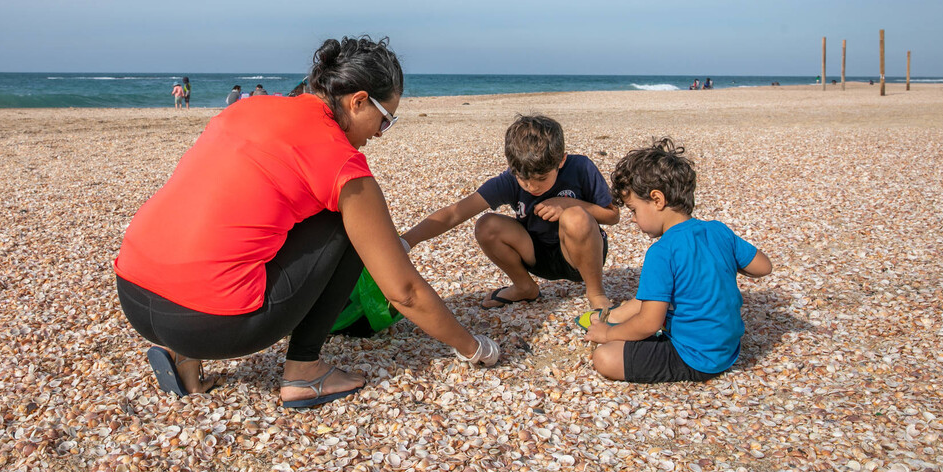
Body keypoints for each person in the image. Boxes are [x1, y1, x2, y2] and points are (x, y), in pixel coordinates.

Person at [114, 36, 498, 408]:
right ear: (359, 101)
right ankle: (304, 371)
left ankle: (183, 358)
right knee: (348, 220)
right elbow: (404, 291)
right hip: (209, 322)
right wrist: (473, 346)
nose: (380, 135)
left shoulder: (245, 108)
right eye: (385, 121)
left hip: (133, 292)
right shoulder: (340, 160)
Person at [585, 138, 772, 383]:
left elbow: (649, 323)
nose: (633, 219)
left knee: (605, 357)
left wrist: (609, 335)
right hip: (728, 348)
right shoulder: (718, 230)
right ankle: (616, 318)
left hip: (695, 357)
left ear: (657, 200)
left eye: (634, 210)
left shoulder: (662, 252)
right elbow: (763, 267)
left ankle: (614, 327)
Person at [402, 115, 620, 313]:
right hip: (536, 256)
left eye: (541, 179)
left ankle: (596, 293)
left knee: (576, 217)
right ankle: (524, 287)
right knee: (486, 224)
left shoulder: (580, 167)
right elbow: (454, 213)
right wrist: (406, 241)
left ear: (561, 161)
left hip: (582, 256)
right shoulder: (508, 181)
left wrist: (569, 203)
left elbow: (612, 216)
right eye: (523, 179)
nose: (532, 187)